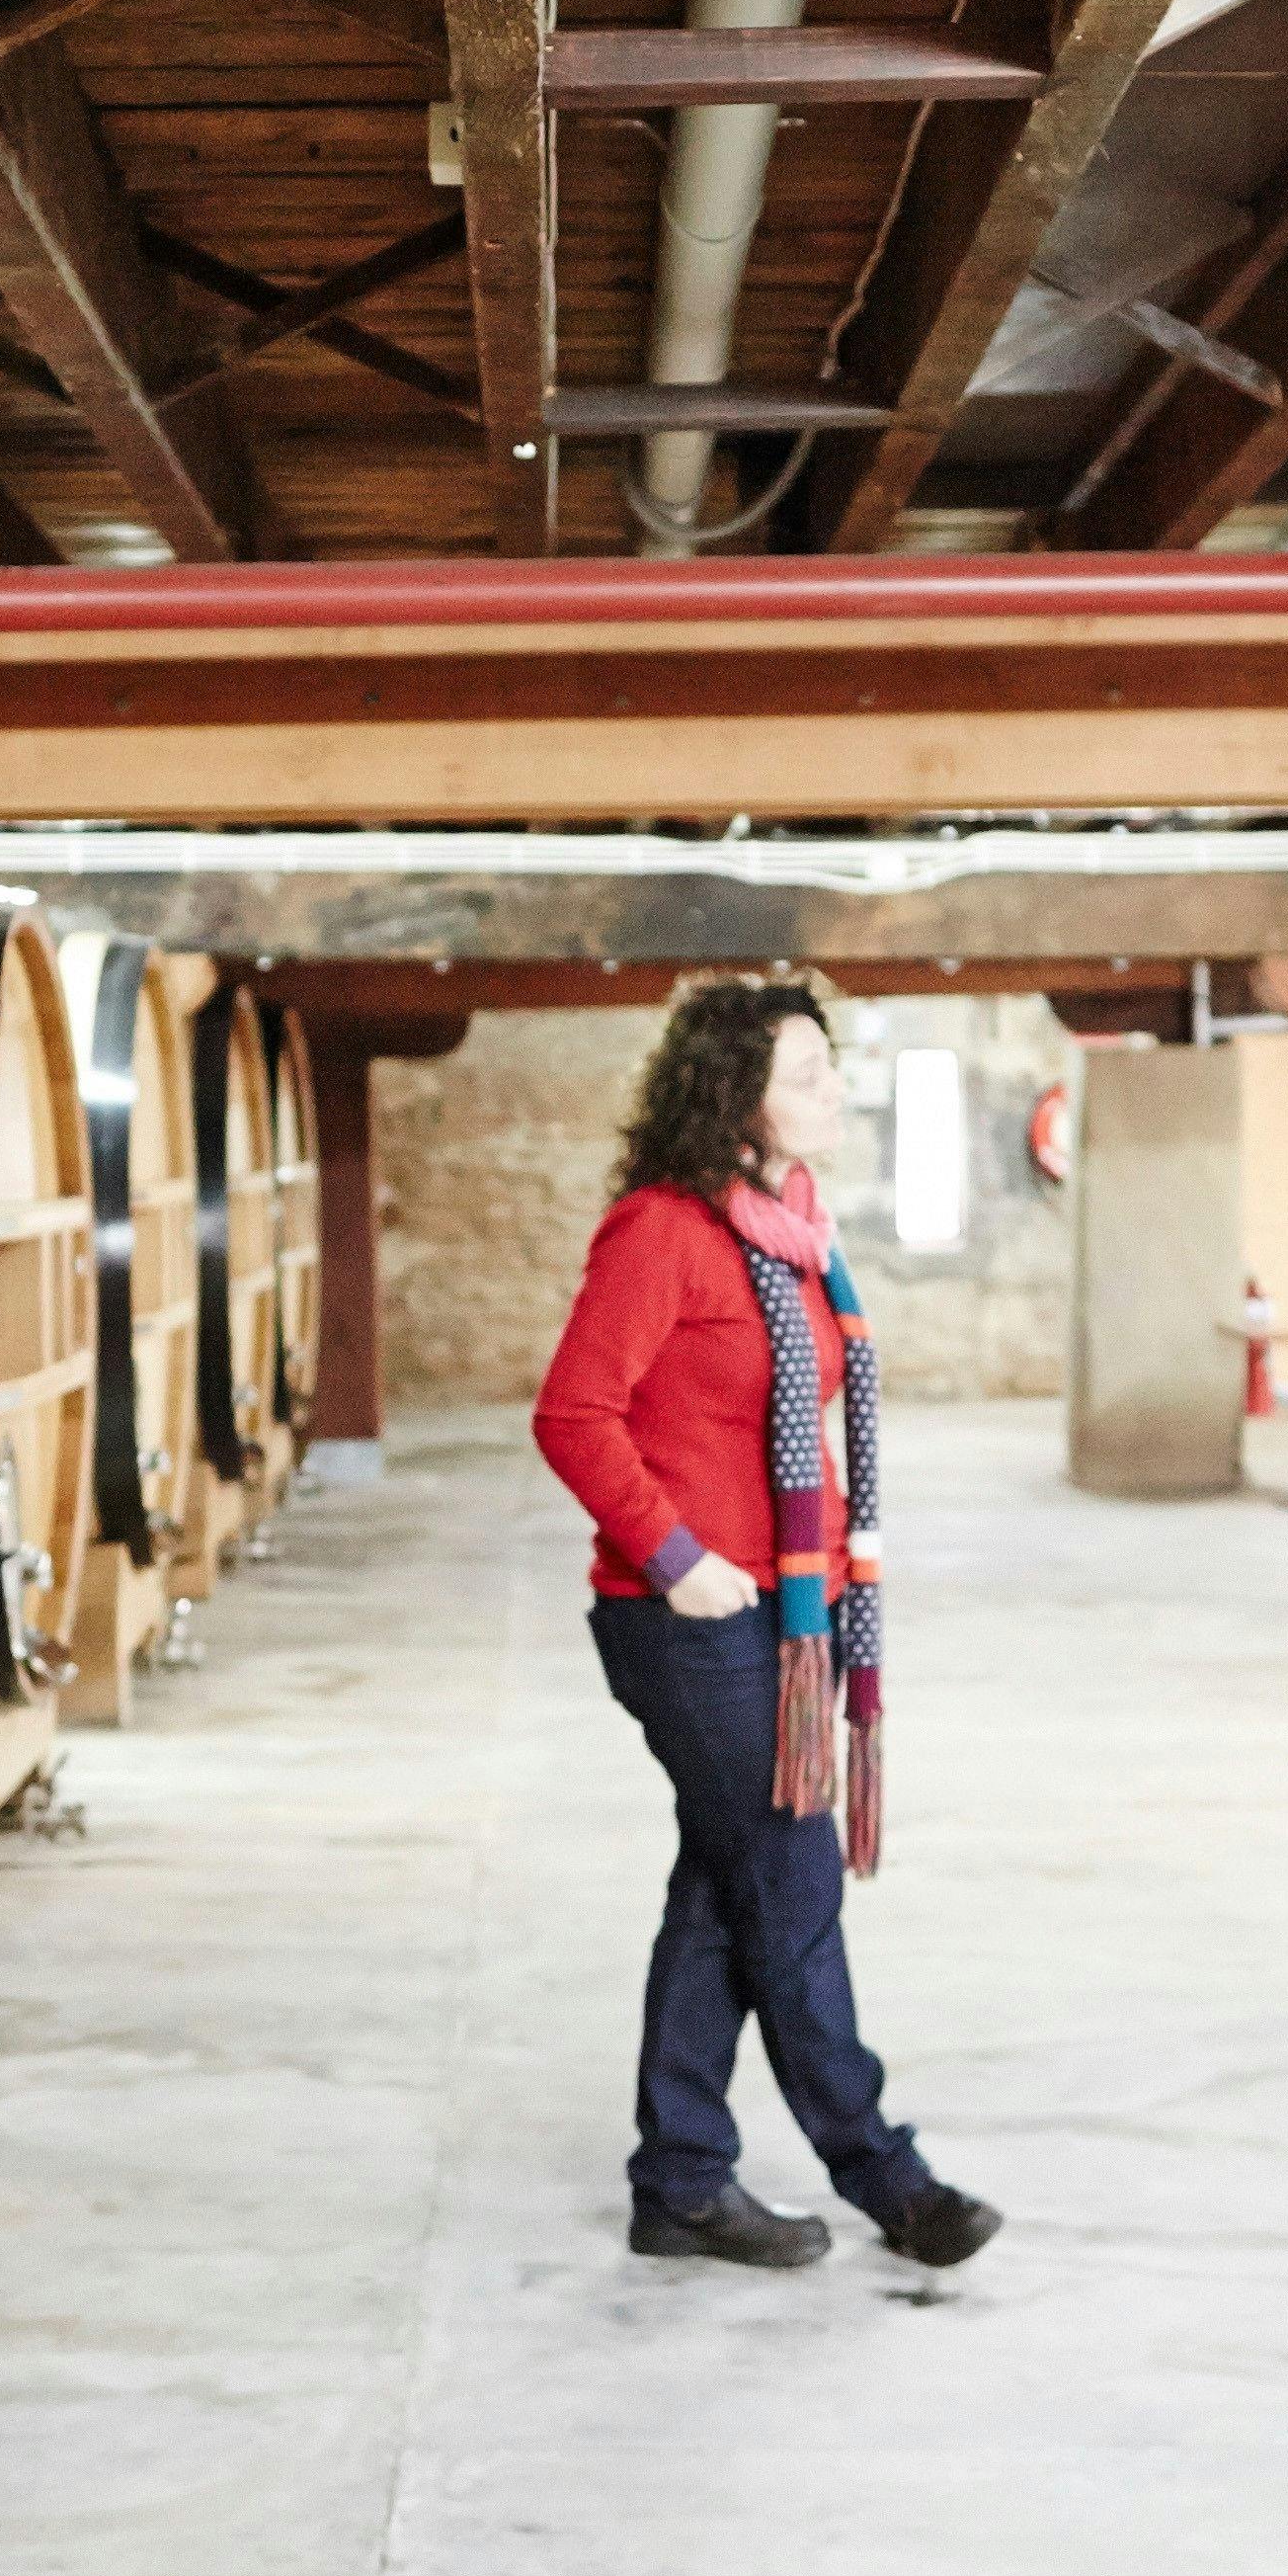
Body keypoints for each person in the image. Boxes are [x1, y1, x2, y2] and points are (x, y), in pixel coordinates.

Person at [532, 974, 1001, 2277]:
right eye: (804, 1070)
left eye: (829, 1066)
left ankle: (680, 2179)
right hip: (688, 1623)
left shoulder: (790, 1234)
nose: (831, 1090)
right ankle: (890, 2182)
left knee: (722, 1887)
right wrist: (676, 1554)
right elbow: (574, 1415)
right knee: (789, 1886)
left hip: (782, 1628)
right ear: (732, 1092)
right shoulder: (664, 1233)